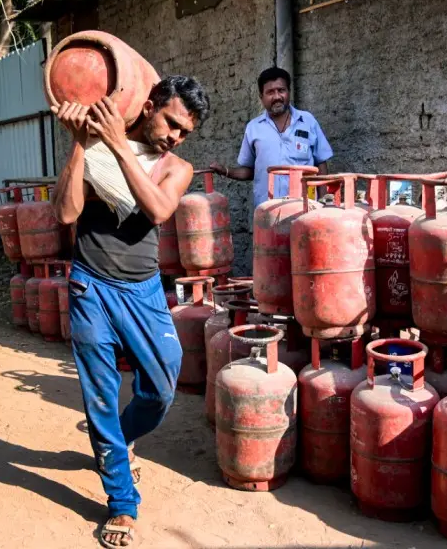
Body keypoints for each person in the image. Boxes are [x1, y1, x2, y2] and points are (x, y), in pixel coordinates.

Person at [51, 75, 210, 548]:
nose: (175, 136)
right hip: (90, 286)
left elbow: (158, 209)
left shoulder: (176, 167)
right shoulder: (96, 149)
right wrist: (80, 145)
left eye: (185, 132)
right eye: (172, 123)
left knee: (161, 387)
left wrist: (119, 146)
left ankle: (118, 443)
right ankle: (122, 501)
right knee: (99, 395)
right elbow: (65, 214)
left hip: (143, 291)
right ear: (150, 105)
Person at [210, 66, 333, 208]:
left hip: (305, 208)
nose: (277, 97)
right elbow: (250, 171)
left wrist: (324, 202)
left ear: (288, 92)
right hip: (267, 210)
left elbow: (321, 163)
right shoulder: (253, 128)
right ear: (261, 97)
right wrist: (226, 171)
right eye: (270, 92)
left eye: (281, 90)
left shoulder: (308, 121)